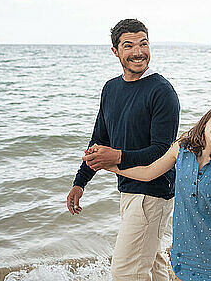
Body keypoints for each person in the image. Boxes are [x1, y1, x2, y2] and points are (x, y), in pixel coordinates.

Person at [86, 104, 211, 281]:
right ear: (206, 121)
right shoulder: (180, 149)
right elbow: (148, 173)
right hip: (186, 245)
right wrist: (109, 166)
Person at [66, 19, 180, 281]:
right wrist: (80, 182)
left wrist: (117, 156)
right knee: (151, 264)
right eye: (128, 45)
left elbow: (163, 152)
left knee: (125, 272)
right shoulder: (111, 88)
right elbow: (98, 140)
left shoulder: (162, 91)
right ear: (115, 51)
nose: (138, 52)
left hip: (153, 193)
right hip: (129, 190)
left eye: (143, 44)